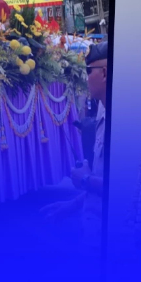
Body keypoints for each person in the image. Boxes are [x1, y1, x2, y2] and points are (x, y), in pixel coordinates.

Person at [41, 42, 108, 254]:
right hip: (92, 230)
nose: (86, 78)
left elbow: (119, 186)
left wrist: (85, 180)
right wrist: (70, 206)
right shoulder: (102, 111)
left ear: (105, 73)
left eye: (89, 71)